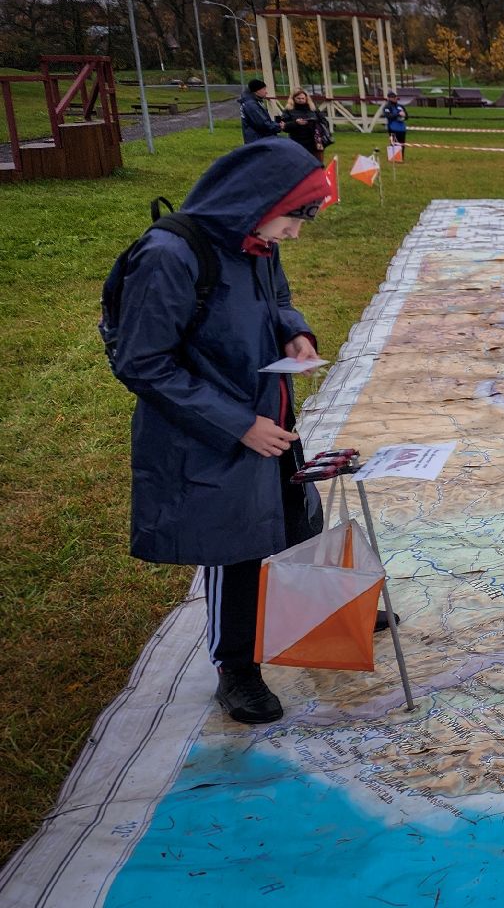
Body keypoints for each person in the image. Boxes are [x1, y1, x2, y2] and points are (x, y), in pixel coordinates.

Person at [107, 139, 337, 725]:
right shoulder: (169, 256)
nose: (295, 234)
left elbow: (276, 298)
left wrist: (294, 332)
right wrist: (238, 426)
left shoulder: (256, 241)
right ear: (258, 202)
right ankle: (237, 667)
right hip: (210, 429)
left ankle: (318, 614)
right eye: (293, 218)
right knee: (238, 545)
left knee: (295, 513)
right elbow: (142, 362)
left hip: (266, 411)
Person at [277, 89, 329, 165]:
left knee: (318, 165)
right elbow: (284, 126)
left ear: (306, 98)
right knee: (300, 165)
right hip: (297, 142)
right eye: (298, 98)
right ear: (293, 99)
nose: (301, 100)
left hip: (315, 142)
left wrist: (315, 124)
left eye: (303, 98)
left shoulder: (313, 108)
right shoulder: (288, 110)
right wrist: (296, 123)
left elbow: (324, 121)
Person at [238, 79, 280, 144]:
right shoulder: (251, 105)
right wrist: (279, 126)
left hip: (256, 139)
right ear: (257, 91)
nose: (266, 92)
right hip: (258, 140)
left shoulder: (254, 102)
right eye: (264, 89)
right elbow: (262, 123)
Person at [379, 91, 407, 157]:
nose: (394, 98)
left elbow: (406, 116)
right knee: (394, 144)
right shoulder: (387, 107)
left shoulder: (400, 106)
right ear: (389, 98)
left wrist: (404, 116)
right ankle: (394, 157)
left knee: (402, 144)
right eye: (392, 97)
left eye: (395, 97)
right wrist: (398, 114)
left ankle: (401, 157)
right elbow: (388, 116)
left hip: (402, 128)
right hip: (392, 128)